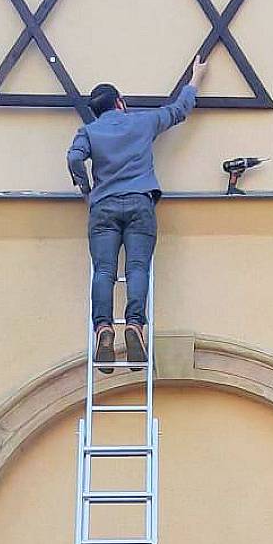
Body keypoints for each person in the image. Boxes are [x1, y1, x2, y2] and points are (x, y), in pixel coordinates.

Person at [67, 57, 209, 372]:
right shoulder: (142, 122)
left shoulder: (88, 131)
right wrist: (195, 78)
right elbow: (178, 110)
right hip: (139, 203)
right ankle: (135, 325)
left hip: (103, 206)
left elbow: (74, 158)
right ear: (120, 102)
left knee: (104, 270)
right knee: (136, 268)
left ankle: (103, 329)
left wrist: (86, 190)